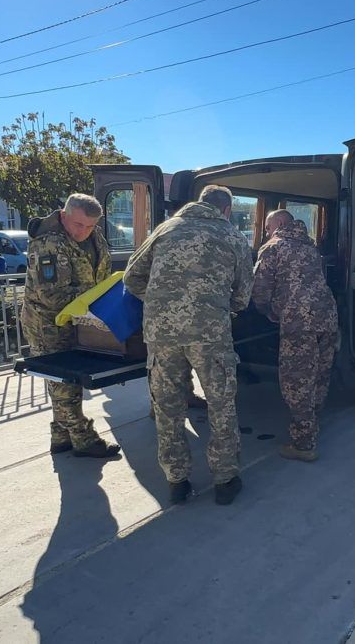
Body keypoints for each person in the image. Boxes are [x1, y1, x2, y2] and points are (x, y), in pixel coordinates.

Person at [124, 185, 254, 506]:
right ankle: (225, 481)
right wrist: (222, 309)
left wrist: (161, 304)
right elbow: (243, 294)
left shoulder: (165, 230)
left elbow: (131, 277)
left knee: (168, 408)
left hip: (161, 334)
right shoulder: (233, 237)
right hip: (210, 335)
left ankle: (176, 481)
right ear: (226, 209)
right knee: (221, 404)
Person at [21, 194, 121, 458]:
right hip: (48, 323)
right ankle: (83, 438)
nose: (84, 232)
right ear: (64, 216)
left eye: (90, 226)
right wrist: (92, 304)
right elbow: (51, 295)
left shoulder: (94, 236)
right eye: (79, 225)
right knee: (64, 383)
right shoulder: (48, 244)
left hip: (77, 321)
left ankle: (60, 436)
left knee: (61, 382)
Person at [251, 210, 338, 463]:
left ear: (278, 224)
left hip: (299, 322)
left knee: (296, 380)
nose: (267, 233)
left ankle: (304, 443)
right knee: (319, 374)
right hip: (327, 316)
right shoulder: (310, 247)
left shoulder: (273, 247)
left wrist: (266, 311)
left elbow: (260, 289)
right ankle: (313, 422)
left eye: (267, 228)